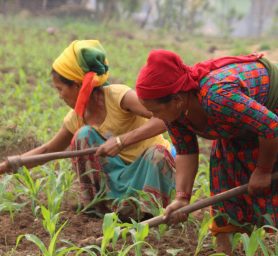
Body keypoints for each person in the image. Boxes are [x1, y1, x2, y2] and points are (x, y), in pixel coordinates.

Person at [0, 40, 176, 220]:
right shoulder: (76, 116)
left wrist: (121, 141)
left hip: (146, 171)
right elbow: (48, 150)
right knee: (83, 135)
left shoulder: (119, 97)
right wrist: (8, 166)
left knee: (158, 154)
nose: (60, 96)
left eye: (60, 89)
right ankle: (99, 208)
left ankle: (148, 214)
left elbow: (164, 118)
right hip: (116, 175)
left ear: (77, 85)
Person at [135, 49, 278, 254]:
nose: (153, 116)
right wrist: (182, 198)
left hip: (272, 115)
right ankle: (224, 250)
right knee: (224, 173)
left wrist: (263, 170)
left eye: (155, 110)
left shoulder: (218, 96)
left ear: (176, 100)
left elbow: (271, 126)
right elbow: (185, 151)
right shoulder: (175, 114)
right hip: (243, 127)